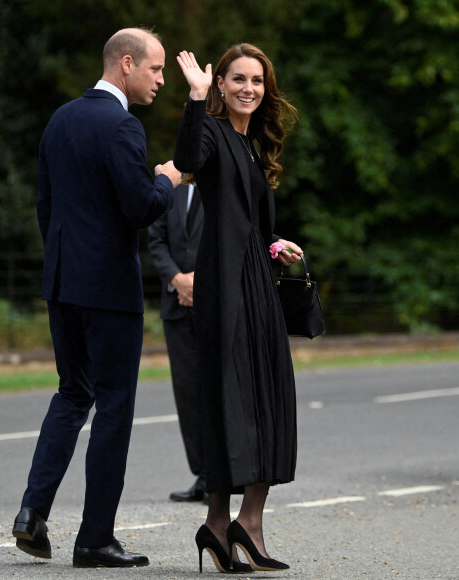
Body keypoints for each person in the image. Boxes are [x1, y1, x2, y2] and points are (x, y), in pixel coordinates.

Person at [11, 27, 181, 568]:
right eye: (155, 69)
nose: (160, 80)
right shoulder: (122, 125)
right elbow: (140, 207)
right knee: (113, 406)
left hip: (63, 284)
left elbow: (45, 205)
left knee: (71, 394)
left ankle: (32, 514)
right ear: (125, 64)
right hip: (109, 290)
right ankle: (95, 539)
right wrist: (168, 179)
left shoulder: (61, 118)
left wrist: (65, 264)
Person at [173, 45, 301, 574]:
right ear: (222, 84)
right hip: (225, 289)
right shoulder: (213, 132)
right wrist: (195, 99)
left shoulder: (254, 145)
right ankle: (224, 523)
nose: (249, 87)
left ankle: (238, 524)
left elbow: (250, 220)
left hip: (257, 287)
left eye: (258, 80)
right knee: (231, 400)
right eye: (238, 79)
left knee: (266, 397)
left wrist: (274, 244)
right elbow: (186, 161)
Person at [147, 183, 208, 503]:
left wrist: (201, 280)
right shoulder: (169, 190)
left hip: (214, 305)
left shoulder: (222, 183)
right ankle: (202, 474)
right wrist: (178, 280)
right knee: (187, 392)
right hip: (175, 306)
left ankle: (220, 478)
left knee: (216, 390)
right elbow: (156, 241)